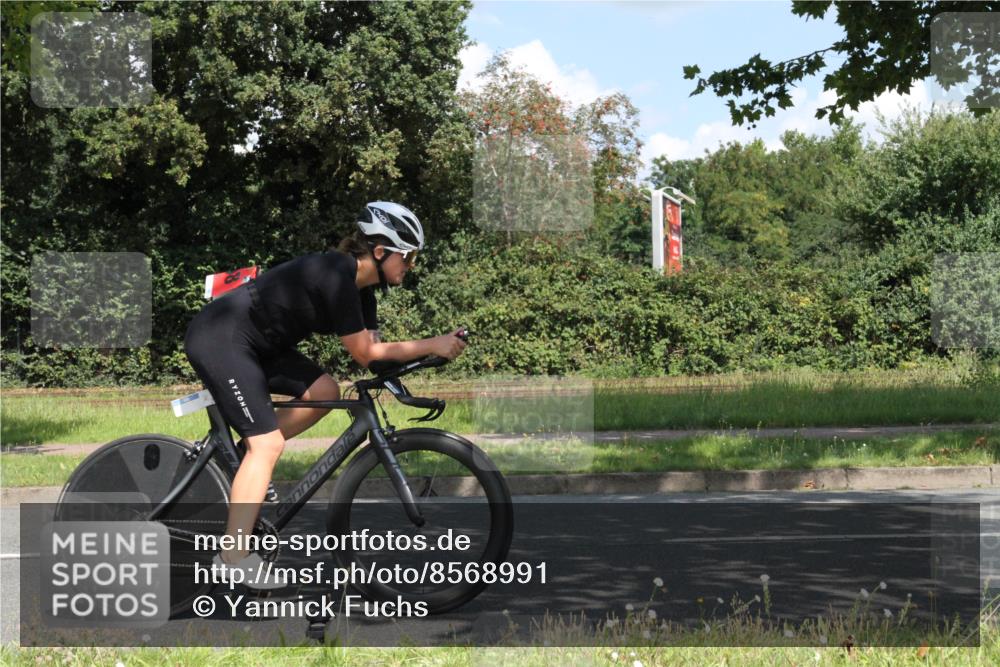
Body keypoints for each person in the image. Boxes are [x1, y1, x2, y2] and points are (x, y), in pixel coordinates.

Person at [183, 201, 466, 588]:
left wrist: (428, 359)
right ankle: (233, 556)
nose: (411, 266)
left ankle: (250, 459)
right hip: (222, 338)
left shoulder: (364, 293)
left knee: (324, 390)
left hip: (260, 345)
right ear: (380, 251)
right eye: (408, 257)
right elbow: (365, 352)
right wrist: (431, 343)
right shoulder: (337, 273)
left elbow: (376, 360)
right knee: (265, 446)